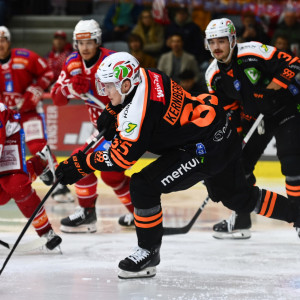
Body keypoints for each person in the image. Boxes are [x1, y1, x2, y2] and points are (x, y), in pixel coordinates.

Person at [55, 51, 300, 279]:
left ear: (126, 84)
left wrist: (79, 164)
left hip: (203, 148)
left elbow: (122, 158)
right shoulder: (148, 73)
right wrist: (112, 108)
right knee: (239, 198)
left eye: (109, 86)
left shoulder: (138, 113)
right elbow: (133, 101)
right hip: (221, 130)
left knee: (143, 185)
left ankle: (148, 251)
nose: (105, 90)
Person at [205, 18, 300, 239]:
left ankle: (299, 217)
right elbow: (228, 111)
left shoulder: (254, 51)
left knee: (292, 161)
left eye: (221, 41)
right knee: (239, 164)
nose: (217, 47)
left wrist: (271, 89)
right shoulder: (213, 76)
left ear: (232, 40)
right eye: (212, 42)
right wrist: (234, 140)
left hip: (288, 108)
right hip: (256, 116)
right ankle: (242, 218)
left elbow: (293, 63)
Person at [51, 19, 135, 233]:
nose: (85, 47)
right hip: (103, 131)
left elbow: (133, 92)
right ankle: (96, 213)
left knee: (96, 168)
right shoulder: (71, 63)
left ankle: (137, 212)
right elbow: (57, 98)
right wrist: (70, 88)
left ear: (98, 41)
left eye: (89, 42)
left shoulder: (112, 61)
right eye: (80, 42)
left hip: (125, 125)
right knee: (91, 167)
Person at [0, 25, 73, 203]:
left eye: (2, 40)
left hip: (29, 112)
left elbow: (47, 73)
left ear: (9, 42)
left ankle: (59, 184)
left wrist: (35, 90)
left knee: (37, 146)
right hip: (5, 117)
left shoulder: (25, 56)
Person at [0, 103, 62, 250]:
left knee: (17, 185)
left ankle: (46, 232)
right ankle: (36, 165)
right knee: (1, 197)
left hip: (8, 135)